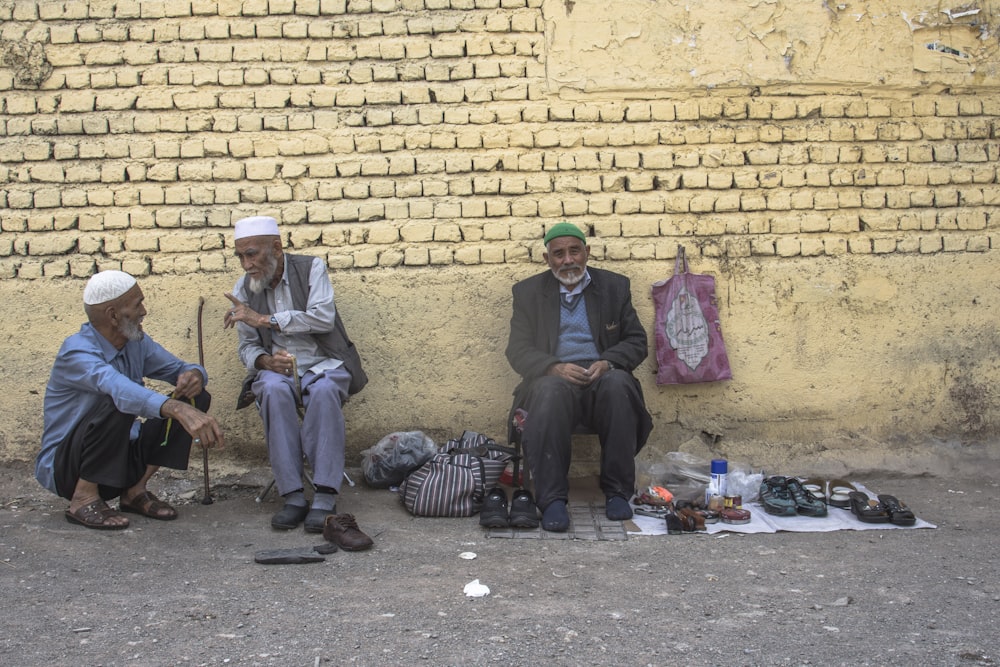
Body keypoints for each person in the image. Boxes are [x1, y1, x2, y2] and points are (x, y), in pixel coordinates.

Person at [36, 270, 223, 530]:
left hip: (119, 462)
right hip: (69, 469)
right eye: (137, 305)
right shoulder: (76, 351)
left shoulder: (135, 342)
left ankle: (134, 492)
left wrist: (193, 375)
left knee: (194, 397)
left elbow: (179, 368)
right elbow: (118, 389)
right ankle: (83, 498)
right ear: (113, 315)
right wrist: (174, 408)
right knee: (119, 400)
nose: (144, 311)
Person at [224, 216, 369, 537]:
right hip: (280, 372)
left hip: (323, 363)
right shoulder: (243, 288)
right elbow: (247, 347)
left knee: (325, 390)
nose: (247, 264)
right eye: (241, 257)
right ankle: (291, 494)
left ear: (276, 247)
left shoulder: (311, 269)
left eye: (252, 254)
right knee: (272, 391)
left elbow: (322, 318)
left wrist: (265, 319)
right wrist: (263, 360)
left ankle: (325, 493)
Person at [505, 222, 654, 532]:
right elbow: (517, 350)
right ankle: (552, 500)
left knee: (618, 384)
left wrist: (609, 361)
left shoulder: (614, 287)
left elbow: (636, 341)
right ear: (547, 260)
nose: (568, 260)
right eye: (558, 254)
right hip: (556, 381)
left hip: (601, 378)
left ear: (587, 252)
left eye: (575, 251)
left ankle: (616, 492)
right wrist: (552, 366)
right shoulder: (528, 293)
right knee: (548, 390)